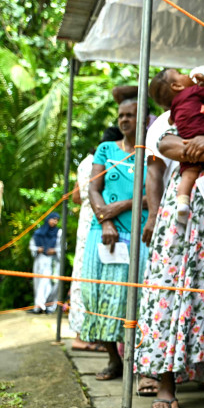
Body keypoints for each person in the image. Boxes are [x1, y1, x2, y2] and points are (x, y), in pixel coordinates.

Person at [135, 51, 204, 408]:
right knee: (172, 287)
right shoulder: (172, 115)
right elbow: (166, 147)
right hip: (183, 216)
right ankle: (166, 381)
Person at [80, 98, 149, 381]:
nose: (124, 120)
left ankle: (142, 366)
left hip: (139, 233)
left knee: (137, 299)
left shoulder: (152, 151)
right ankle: (113, 359)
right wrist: (106, 220)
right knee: (96, 295)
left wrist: (121, 206)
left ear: (143, 119)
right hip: (104, 233)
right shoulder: (106, 149)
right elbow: (93, 189)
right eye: (121, 115)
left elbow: (154, 195)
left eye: (130, 115)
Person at [149, 69, 204, 223]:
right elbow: (164, 144)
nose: (186, 75)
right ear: (176, 86)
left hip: (202, 200)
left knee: (188, 174)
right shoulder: (195, 95)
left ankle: (182, 203)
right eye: (180, 74)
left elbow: (172, 122)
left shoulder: (177, 108)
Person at [69, 127, 123, 351]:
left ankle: (83, 333)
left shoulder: (85, 162)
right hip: (99, 219)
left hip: (86, 218)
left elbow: (75, 196)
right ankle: (86, 336)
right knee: (96, 275)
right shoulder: (109, 158)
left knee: (81, 275)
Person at [28, 213, 62, 314]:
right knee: (39, 283)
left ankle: (49, 307)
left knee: (52, 283)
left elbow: (62, 247)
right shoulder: (38, 232)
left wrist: (54, 251)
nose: (54, 222)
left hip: (53, 261)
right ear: (48, 219)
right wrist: (38, 249)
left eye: (57, 220)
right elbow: (32, 246)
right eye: (53, 219)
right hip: (40, 261)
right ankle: (38, 307)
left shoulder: (59, 233)